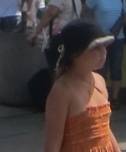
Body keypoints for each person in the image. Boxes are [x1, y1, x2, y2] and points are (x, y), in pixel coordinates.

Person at [44, 20, 120, 152]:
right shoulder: (62, 92)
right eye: (96, 47)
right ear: (76, 54)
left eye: (104, 46)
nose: (104, 52)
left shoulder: (99, 81)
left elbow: (104, 129)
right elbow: (52, 147)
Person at [84, 0, 126, 109]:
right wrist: (92, 24)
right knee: (100, 67)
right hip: (101, 38)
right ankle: (100, 96)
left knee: (116, 68)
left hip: (117, 37)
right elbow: (85, 9)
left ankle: (115, 97)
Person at [29, 0, 83, 71]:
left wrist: (36, 31)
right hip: (71, 35)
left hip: (58, 37)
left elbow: (50, 12)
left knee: (55, 68)